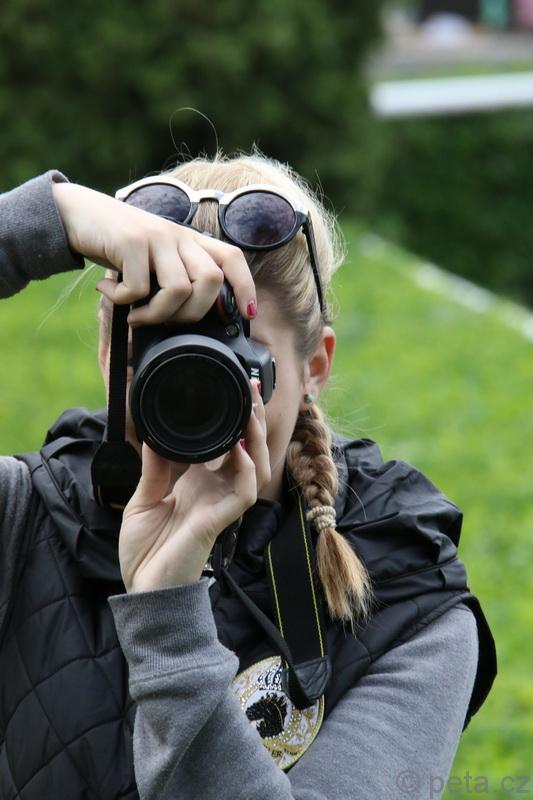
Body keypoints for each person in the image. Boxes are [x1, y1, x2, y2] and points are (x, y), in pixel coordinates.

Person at [0, 153, 497, 800]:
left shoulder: (403, 595)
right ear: (108, 353)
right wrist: (50, 219)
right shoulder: (26, 521)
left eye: (238, 358)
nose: (195, 383)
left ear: (315, 367)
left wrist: (168, 622)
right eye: (160, 348)